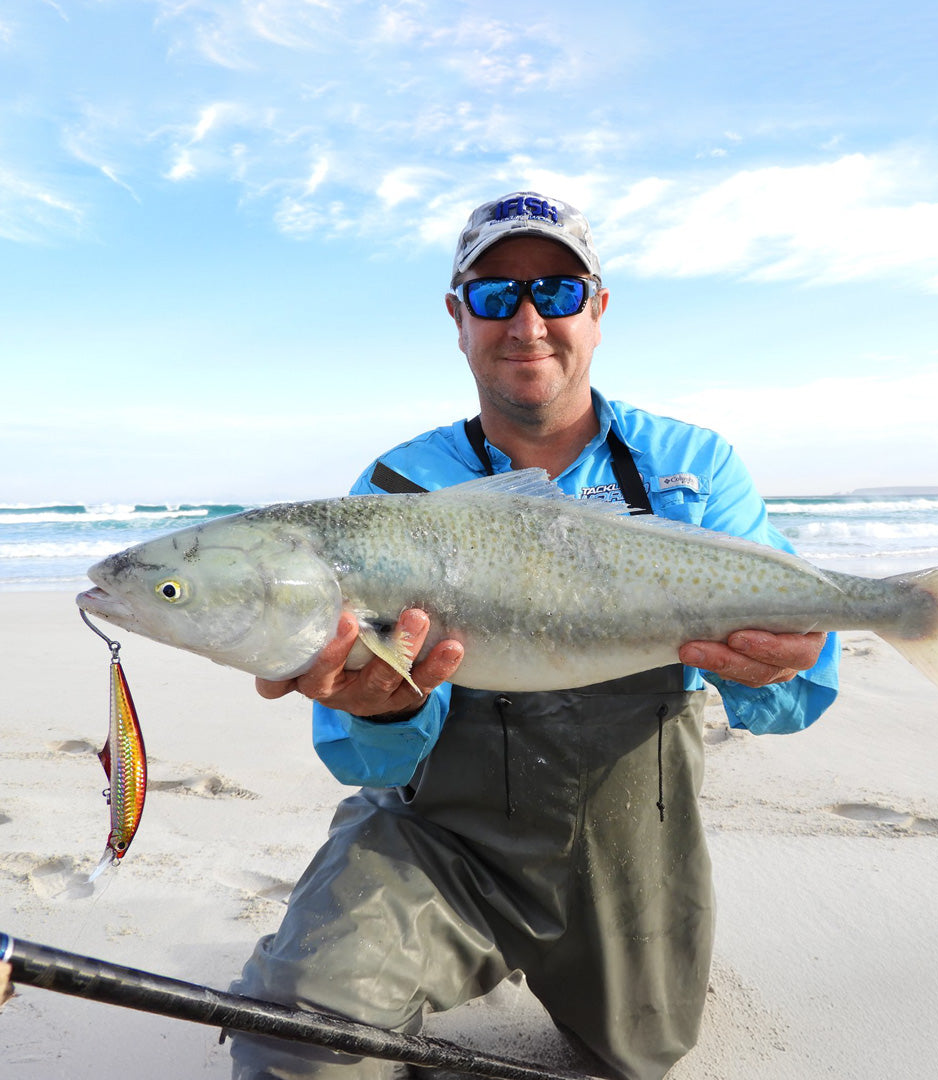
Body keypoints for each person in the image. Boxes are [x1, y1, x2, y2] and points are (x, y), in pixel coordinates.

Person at [230, 192, 840, 1080]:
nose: (526, 323)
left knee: (639, 1059)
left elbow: (788, 708)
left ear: (597, 307)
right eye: (492, 295)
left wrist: (792, 656)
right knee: (300, 1047)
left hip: (632, 858)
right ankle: (318, 955)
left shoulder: (695, 470)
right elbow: (370, 765)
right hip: (439, 846)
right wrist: (382, 711)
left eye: (555, 292)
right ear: (457, 317)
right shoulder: (398, 485)